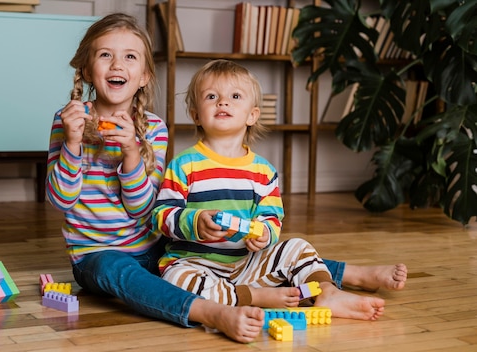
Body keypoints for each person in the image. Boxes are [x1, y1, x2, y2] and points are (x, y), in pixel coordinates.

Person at [46, 13, 268, 344]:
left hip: (155, 248)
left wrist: (133, 154)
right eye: (105, 54)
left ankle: (329, 273)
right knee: (116, 272)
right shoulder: (68, 121)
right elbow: (61, 200)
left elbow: (144, 210)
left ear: (144, 76)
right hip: (95, 255)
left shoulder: (153, 128)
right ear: (86, 69)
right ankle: (208, 312)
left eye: (130, 57)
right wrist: (74, 143)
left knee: (218, 241)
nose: (117, 64)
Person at [151, 59, 393, 327]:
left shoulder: (263, 171)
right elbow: (163, 216)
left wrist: (265, 234)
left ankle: (327, 293)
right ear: (196, 114)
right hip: (195, 263)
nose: (223, 103)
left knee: (297, 247)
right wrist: (196, 222)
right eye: (211, 97)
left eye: (234, 96)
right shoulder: (184, 165)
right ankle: (255, 297)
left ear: (252, 115)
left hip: (245, 266)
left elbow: (272, 216)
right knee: (175, 278)